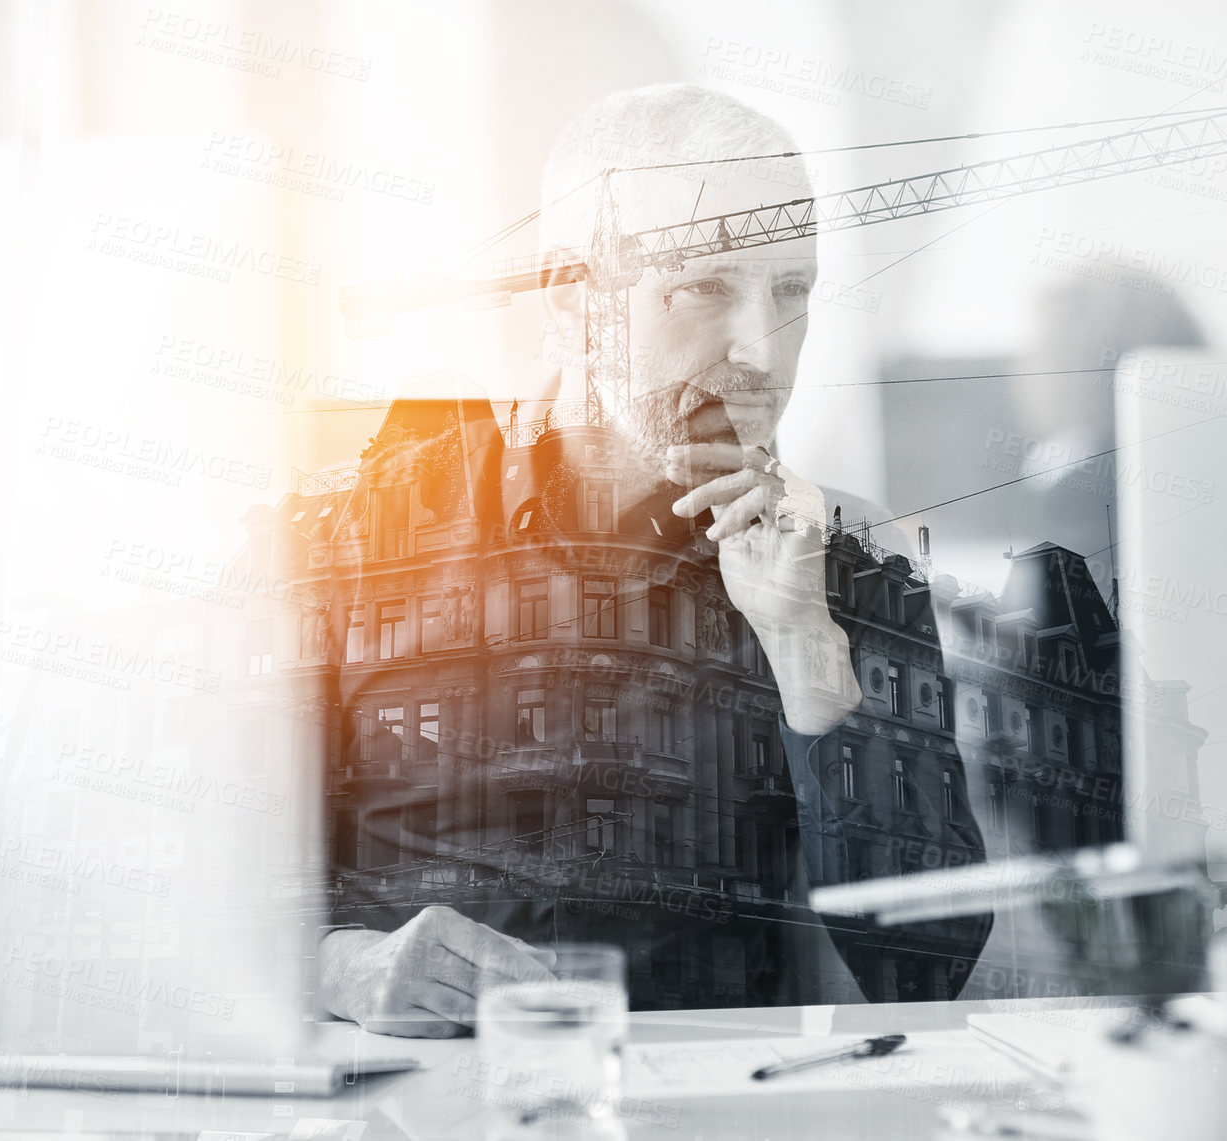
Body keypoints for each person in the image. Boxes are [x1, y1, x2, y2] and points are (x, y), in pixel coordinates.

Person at [310, 84, 991, 1037]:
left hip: (721, 1097)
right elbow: (192, 879)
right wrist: (340, 967)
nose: (761, 349)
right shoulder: (355, 531)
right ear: (567, 294)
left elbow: (933, 964)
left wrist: (804, 644)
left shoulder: (851, 564)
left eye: (790, 289)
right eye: (702, 286)